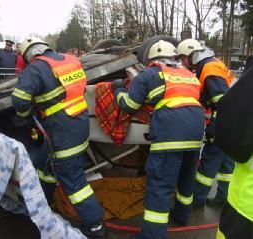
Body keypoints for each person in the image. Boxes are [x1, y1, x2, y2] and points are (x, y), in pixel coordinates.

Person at [11, 37, 105, 238]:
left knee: (73, 180)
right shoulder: (70, 60)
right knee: (45, 165)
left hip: (62, 130)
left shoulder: (35, 69)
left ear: (28, 55)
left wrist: (23, 116)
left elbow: (19, 99)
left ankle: (96, 225)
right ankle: (41, 206)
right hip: (79, 121)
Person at [112, 40, 205, 239]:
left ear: (152, 60)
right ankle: (181, 216)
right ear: (174, 58)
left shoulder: (150, 74)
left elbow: (129, 104)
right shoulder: (189, 75)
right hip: (196, 132)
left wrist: (118, 89)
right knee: (186, 179)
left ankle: (152, 235)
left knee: (160, 187)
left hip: (171, 133)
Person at [177, 39, 235, 208]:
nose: (182, 63)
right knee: (226, 165)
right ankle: (223, 198)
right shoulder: (212, 64)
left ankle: (197, 200)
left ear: (192, 55)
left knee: (208, 163)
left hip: (225, 123)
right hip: (234, 121)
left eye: (183, 58)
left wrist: (214, 126)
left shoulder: (209, 69)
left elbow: (223, 102)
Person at [215, 56, 253, 239]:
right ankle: (218, 195)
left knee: (211, 167)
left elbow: (232, 137)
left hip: (246, 209)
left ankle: (199, 202)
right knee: (224, 168)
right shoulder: (217, 66)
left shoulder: (208, 70)